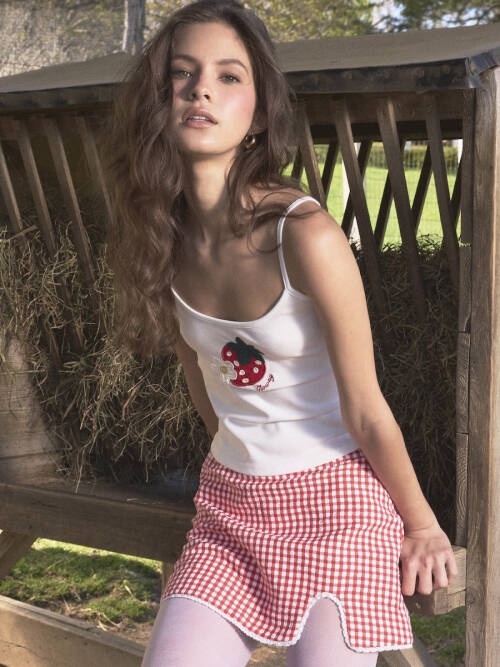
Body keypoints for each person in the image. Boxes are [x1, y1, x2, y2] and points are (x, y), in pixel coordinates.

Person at [100, 1, 458, 665]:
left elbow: (365, 408)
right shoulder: (160, 238)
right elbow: (203, 382)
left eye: (228, 76)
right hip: (230, 510)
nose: (201, 89)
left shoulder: (306, 236)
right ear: (158, 98)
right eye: (182, 73)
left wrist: (423, 523)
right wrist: (245, 461)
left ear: (260, 113)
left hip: (336, 508)